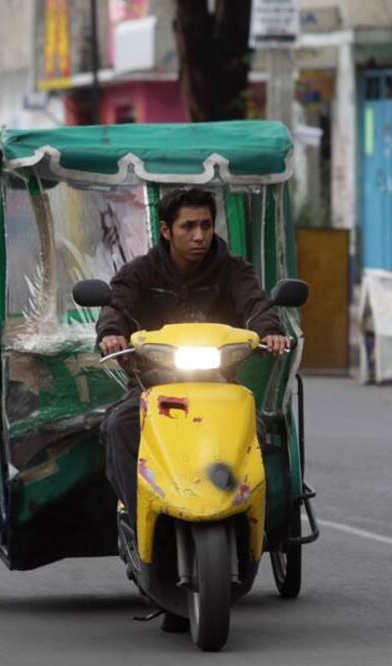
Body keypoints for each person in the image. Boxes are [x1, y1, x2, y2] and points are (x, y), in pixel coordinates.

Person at [95, 186, 290, 523]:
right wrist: (111, 334)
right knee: (118, 426)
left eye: (206, 225)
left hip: (218, 383)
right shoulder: (140, 272)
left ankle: (247, 518)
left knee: (254, 429)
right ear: (166, 231)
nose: (199, 235)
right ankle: (140, 514)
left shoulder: (233, 270)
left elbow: (254, 302)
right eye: (188, 227)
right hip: (152, 384)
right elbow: (116, 306)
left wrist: (270, 330)